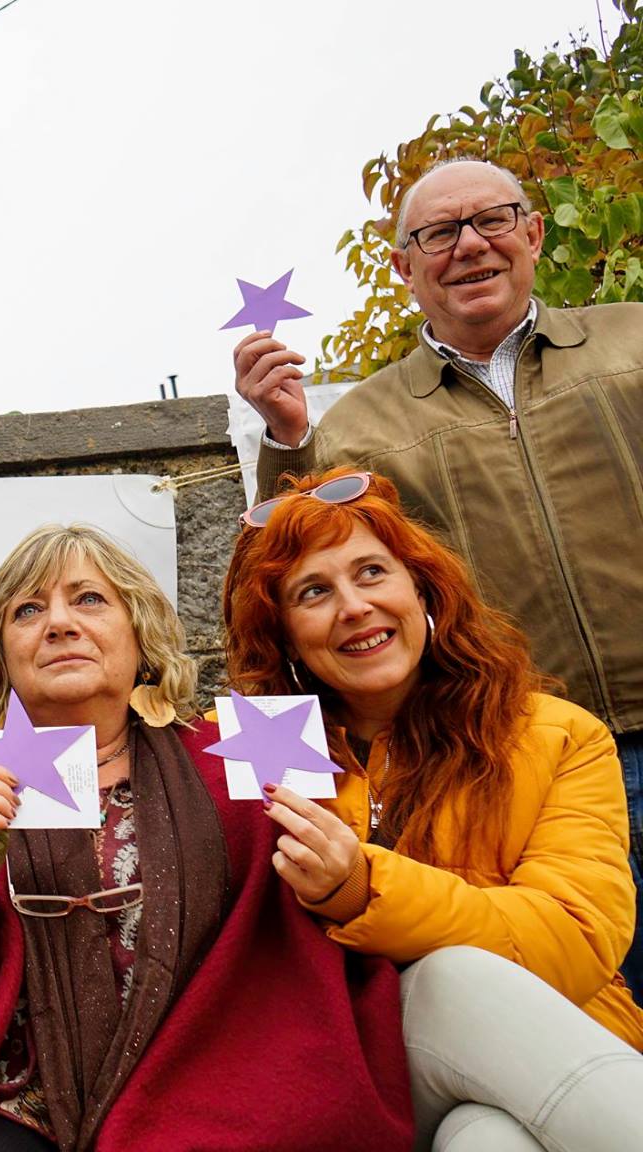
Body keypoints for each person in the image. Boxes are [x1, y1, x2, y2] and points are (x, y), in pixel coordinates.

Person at [0, 524, 411, 1152]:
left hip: (217, 1100)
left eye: (90, 599)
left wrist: (342, 880)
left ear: (143, 631)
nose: (59, 623)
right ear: (3, 655)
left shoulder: (250, 747)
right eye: (28, 610)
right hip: (8, 1109)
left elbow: (325, 949)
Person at [231, 157, 643, 987]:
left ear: (533, 231)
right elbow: (288, 572)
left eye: (492, 219)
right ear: (403, 267)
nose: (469, 245)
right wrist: (288, 442)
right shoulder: (358, 422)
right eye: (438, 233)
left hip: (577, 745)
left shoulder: (634, 336)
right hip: (518, 758)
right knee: (584, 998)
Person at [224, 468, 643, 1150]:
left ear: (422, 588)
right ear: (285, 636)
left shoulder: (555, 735)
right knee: (451, 975)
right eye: (313, 593)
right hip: (359, 1070)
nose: (354, 607)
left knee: (486, 1140)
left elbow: (575, 942)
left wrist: (363, 891)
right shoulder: (266, 752)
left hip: (554, 1047)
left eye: (370, 573)